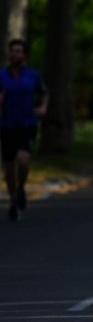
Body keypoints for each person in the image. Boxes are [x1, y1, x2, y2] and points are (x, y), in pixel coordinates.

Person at [0, 39, 49, 222]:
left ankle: (21, 186)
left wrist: (42, 108)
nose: (15, 54)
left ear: (24, 55)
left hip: (27, 124)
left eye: (18, 51)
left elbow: (44, 92)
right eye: (12, 51)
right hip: (7, 125)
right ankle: (14, 199)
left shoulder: (33, 76)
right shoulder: (2, 76)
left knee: (23, 159)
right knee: (9, 167)